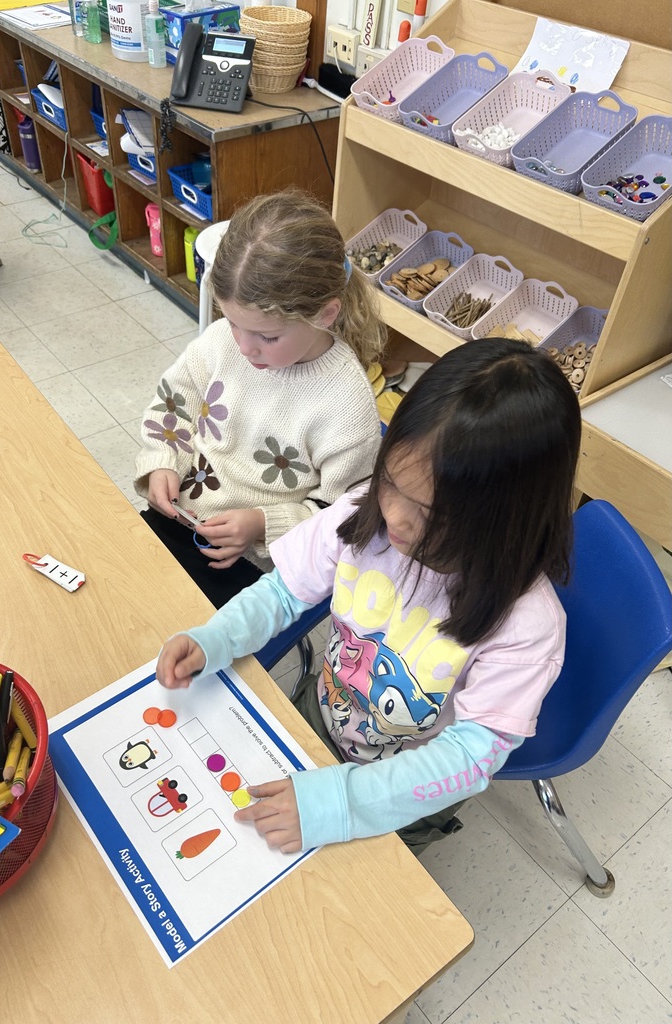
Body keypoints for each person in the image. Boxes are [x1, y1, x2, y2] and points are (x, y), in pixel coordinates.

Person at [155, 338, 582, 856]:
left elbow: (469, 758)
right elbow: (284, 594)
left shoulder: (527, 623)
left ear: (506, 521)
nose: (396, 517)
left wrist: (343, 803)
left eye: (433, 514)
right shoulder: (365, 513)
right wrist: (216, 638)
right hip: (322, 713)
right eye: (392, 482)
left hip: (404, 786)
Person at [134, 189, 386, 608]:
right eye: (231, 321)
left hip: (255, 566)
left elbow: (343, 519)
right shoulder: (220, 343)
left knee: (170, 644)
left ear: (325, 314)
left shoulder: (346, 405)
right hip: (179, 518)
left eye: (267, 336)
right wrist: (162, 460)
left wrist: (262, 525)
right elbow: (172, 404)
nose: (245, 347)